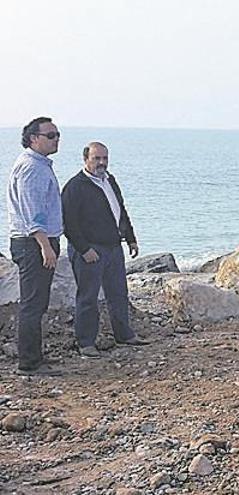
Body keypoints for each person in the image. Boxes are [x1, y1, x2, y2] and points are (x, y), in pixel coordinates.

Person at [62, 142, 149, 358]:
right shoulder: (75, 186)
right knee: (88, 297)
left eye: (104, 158)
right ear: (86, 160)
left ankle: (124, 335)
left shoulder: (110, 180)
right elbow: (68, 223)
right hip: (89, 251)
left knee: (118, 293)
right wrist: (84, 250)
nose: (101, 163)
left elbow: (120, 210)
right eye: (96, 158)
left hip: (113, 247)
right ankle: (86, 343)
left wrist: (131, 238)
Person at [6, 117, 64, 376]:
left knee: (37, 302)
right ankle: (29, 362)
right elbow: (33, 213)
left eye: (57, 134)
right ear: (33, 138)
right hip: (33, 242)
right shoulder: (32, 167)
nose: (56, 139)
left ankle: (34, 356)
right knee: (32, 303)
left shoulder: (37, 165)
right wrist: (45, 245)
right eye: (50, 135)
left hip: (34, 241)